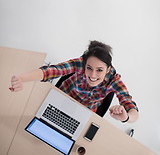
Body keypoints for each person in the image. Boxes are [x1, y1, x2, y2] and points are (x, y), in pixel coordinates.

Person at [10, 40, 139, 123]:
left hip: (83, 112)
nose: (93, 75)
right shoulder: (80, 63)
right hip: (62, 97)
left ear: (108, 69)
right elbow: (52, 71)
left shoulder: (113, 80)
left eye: (99, 70)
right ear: (84, 64)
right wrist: (21, 79)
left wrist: (126, 118)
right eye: (89, 68)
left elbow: (131, 108)